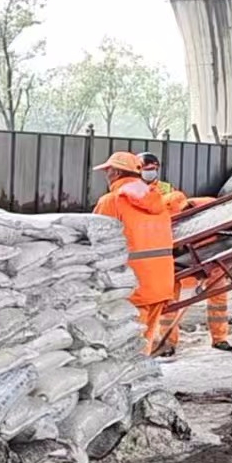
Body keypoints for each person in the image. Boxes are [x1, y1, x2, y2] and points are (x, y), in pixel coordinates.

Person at [137, 152, 232, 356]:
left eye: (152, 168)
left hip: (202, 251)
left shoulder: (169, 193)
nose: (150, 172)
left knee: (217, 298)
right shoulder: (136, 192)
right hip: (175, 254)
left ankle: (219, 338)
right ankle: (168, 342)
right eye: (146, 168)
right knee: (170, 302)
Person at [92, 151, 175, 355]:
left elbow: (95, 240)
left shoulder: (111, 201)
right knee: (143, 342)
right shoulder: (158, 201)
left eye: (108, 171)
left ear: (115, 172)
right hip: (161, 282)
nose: (106, 175)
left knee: (126, 344)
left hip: (133, 285)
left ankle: (129, 382)